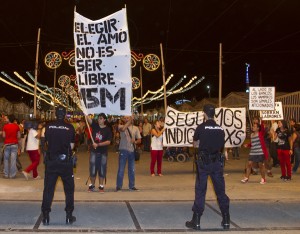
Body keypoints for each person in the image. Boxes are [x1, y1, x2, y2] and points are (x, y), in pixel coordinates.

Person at [186, 104, 230, 230]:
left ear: (204, 114)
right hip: (217, 163)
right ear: (214, 114)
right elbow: (222, 145)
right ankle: (226, 219)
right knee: (220, 191)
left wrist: (201, 144)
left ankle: (197, 221)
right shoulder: (220, 128)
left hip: (204, 163)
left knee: (200, 190)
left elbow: (195, 144)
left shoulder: (201, 127)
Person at [41, 105, 76, 225]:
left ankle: (45, 216)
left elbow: (44, 142)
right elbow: (71, 146)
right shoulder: (70, 127)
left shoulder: (48, 126)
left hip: (51, 162)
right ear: (65, 114)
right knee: (69, 190)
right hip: (65, 162)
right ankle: (68, 215)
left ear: (55, 114)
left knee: (48, 189)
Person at [86, 113, 112, 193]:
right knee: (93, 169)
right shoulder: (95, 126)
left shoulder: (108, 129)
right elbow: (88, 119)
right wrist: (85, 112)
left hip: (103, 152)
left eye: (101, 118)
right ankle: (92, 185)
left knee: (102, 169)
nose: (99, 119)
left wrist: (98, 144)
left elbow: (108, 142)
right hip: (94, 152)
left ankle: (101, 186)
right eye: (98, 118)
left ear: (104, 120)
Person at [116, 115, 141, 191]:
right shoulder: (120, 126)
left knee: (132, 169)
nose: (126, 119)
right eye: (125, 118)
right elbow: (123, 129)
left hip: (132, 151)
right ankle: (119, 186)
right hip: (123, 150)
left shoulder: (136, 128)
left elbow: (139, 139)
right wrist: (130, 121)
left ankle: (132, 186)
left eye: (128, 118)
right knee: (121, 169)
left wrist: (135, 141)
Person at [2, 114, 20, 179]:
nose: (5, 119)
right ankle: (12, 175)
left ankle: (6, 174)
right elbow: (19, 136)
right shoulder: (16, 126)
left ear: (9, 119)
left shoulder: (5, 126)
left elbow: (3, 136)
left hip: (7, 145)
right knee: (13, 160)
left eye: (6, 118)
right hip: (14, 145)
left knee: (6, 160)